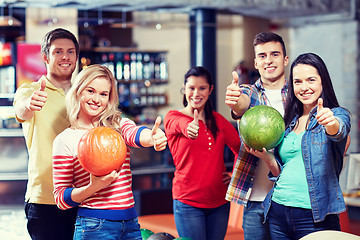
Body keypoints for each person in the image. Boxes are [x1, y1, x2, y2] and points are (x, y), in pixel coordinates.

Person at [52, 64, 167, 240]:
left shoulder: (117, 125)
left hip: (130, 223)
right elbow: (61, 198)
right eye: (90, 91)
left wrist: (152, 138)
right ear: (78, 91)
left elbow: (135, 134)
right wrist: (93, 187)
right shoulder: (65, 140)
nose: (96, 99)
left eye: (103, 94)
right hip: (93, 225)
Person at [249, 53, 351, 239]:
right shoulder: (289, 123)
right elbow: (284, 170)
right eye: (298, 82)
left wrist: (330, 123)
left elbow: (339, 130)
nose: (304, 87)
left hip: (315, 216)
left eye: (311, 80)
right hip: (278, 211)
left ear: (323, 82)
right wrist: (268, 158)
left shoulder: (336, 114)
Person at [13, 28, 79, 240]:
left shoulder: (84, 93)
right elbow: (21, 109)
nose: (65, 57)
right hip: (45, 199)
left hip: (84, 196)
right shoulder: (30, 91)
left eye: (70, 51)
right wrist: (30, 104)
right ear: (45, 57)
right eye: (58, 51)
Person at [225, 32, 289, 240]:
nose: (268, 60)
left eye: (274, 54)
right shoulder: (248, 92)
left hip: (288, 199)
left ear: (285, 59)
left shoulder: (298, 95)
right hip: (254, 201)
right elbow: (241, 105)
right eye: (262, 56)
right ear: (256, 62)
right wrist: (235, 101)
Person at [164, 66, 240, 240]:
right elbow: (179, 125)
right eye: (191, 88)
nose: (196, 93)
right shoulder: (173, 117)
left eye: (202, 88)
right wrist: (189, 127)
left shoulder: (219, 121)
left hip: (220, 202)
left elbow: (240, 148)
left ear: (210, 90)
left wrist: (235, 176)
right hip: (187, 203)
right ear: (184, 89)